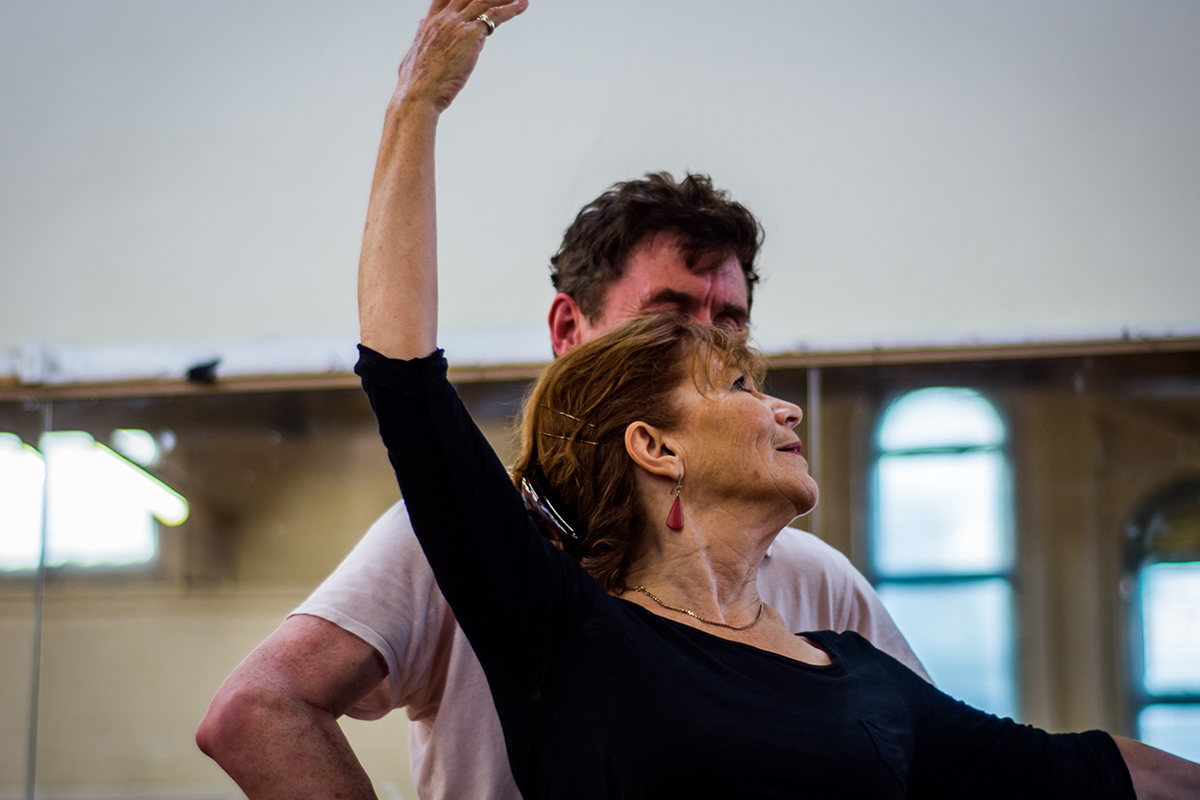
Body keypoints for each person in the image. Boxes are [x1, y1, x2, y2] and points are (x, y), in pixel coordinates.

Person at [348, 3, 1200, 798]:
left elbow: (1079, 772)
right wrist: (414, 106)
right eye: (741, 387)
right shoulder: (570, 635)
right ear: (655, 445)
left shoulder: (859, 674)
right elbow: (406, 379)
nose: (785, 410)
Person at [196, 1, 931, 797]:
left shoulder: (811, 577)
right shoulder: (465, 542)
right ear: (569, 329)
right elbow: (256, 709)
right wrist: (416, 109)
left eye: (731, 324)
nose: (710, 349)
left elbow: (939, 761)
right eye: (669, 316)